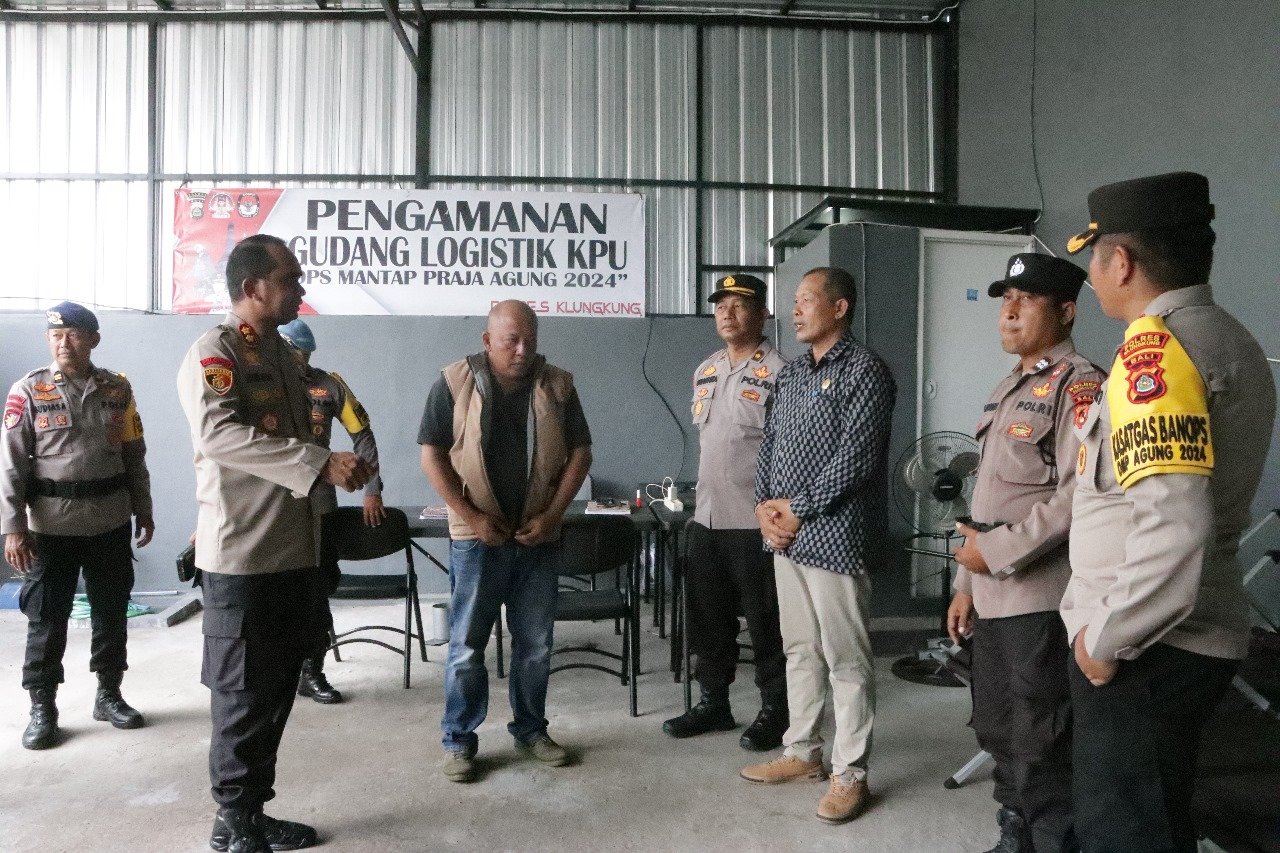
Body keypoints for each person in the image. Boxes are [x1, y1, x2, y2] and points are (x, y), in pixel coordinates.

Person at [1061, 172, 1275, 853]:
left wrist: (1103, 641)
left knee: (1125, 832)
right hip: (1178, 637)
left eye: (1095, 259)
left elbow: (1176, 524)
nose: (1093, 277)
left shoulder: (1154, 353)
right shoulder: (1230, 337)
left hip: (1146, 646)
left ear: (1121, 262)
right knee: (1159, 816)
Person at [177, 234, 371, 853]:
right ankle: (234, 822)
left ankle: (249, 812)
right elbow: (219, 437)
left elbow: (307, 435)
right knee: (241, 695)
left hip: (293, 549)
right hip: (243, 554)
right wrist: (318, 463)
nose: (301, 288)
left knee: (277, 691)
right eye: (290, 278)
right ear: (252, 287)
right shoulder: (216, 353)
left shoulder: (286, 357)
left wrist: (339, 468)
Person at [945, 254, 1104, 853]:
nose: (1009, 311)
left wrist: (997, 553)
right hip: (990, 594)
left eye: (1026, 300)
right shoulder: (1008, 386)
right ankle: (1015, 831)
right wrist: (966, 585)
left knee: (1041, 735)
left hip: (1039, 597)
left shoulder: (1080, 385)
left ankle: (1050, 840)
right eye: (1005, 299)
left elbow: (1079, 494)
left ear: (1066, 311)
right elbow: (987, 496)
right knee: (996, 725)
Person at [740, 267, 896, 825]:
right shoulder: (792, 373)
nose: (795, 310)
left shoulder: (865, 371)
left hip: (835, 536)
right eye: (795, 301)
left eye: (807, 300)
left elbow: (857, 457)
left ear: (839, 307)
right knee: (800, 649)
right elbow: (770, 445)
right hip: (786, 535)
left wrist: (798, 508)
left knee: (846, 659)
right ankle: (802, 752)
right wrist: (765, 507)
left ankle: (850, 773)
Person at [419, 299, 592, 784]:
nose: (521, 350)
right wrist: (472, 517)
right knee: (466, 646)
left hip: (538, 536)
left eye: (529, 341)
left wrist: (553, 516)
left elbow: (581, 453)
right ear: (487, 340)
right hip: (477, 538)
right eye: (511, 340)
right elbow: (431, 455)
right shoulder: (453, 381)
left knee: (535, 644)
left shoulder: (558, 384)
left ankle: (531, 731)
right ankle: (458, 741)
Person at [1, 301, 154, 751]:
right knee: (47, 619)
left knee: (111, 612)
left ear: (93, 339)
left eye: (72, 334)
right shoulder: (29, 390)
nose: (63, 343)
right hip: (51, 527)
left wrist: (143, 509)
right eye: (55, 335)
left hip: (109, 520)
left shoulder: (117, 389)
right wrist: (13, 527)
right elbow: (11, 464)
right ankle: (43, 706)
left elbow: (134, 455)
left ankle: (109, 694)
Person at [662, 274, 790, 751]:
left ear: (762, 314)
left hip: (756, 522)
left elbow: (791, 452)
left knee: (767, 624)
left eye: (739, 305)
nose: (727, 314)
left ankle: (776, 712)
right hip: (708, 518)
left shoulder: (782, 371)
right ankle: (713, 703)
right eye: (721, 306)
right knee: (708, 620)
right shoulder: (707, 369)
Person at [278, 318, 385, 705]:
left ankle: (312, 670)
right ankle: (276, 671)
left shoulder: (329, 385)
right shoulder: (260, 384)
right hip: (272, 504)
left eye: (307, 354)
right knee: (273, 588)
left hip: (319, 505)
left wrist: (371, 487)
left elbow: (362, 433)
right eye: (296, 353)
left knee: (318, 586)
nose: (302, 361)